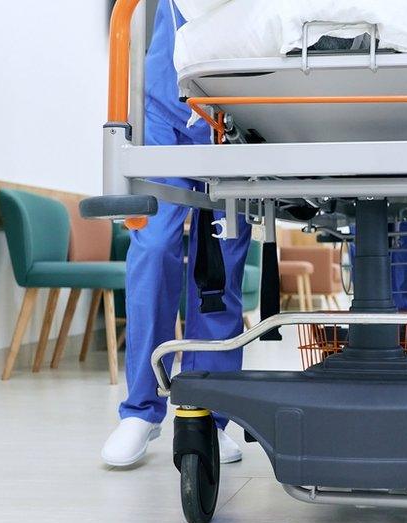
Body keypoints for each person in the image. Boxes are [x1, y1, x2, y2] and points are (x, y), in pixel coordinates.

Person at [101, 0, 252, 467]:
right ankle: (141, 411)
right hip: (165, 107)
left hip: (235, 111)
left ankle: (211, 413)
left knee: (221, 262)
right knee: (153, 246)